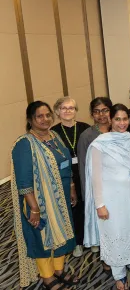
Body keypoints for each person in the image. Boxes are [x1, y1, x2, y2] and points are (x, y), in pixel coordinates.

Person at [11, 101, 78, 289]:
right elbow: (23, 183)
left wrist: (71, 187)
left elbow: (65, 164)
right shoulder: (24, 144)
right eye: (39, 116)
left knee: (62, 231)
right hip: (39, 201)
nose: (45, 119)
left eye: (48, 115)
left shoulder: (54, 136)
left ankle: (58, 270)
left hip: (61, 196)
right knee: (42, 236)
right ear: (30, 120)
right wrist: (34, 208)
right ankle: (47, 276)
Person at [84, 104, 130, 290]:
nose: (122, 123)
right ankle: (118, 274)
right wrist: (100, 204)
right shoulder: (100, 143)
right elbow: (95, 177)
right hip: (110, 199)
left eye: (125, 119)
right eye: (117, 119)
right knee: (115, 233)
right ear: (110, 120)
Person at [51, 97, 91, 258]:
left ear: (76, 111)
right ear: (57, 111)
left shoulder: (85, 128)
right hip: (66, 174)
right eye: (64, 108)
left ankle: (92, 239)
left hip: (85, 171)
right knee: (74, 208)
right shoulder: (53, 132)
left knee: (89, 205)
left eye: (71, 108)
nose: (68, 111)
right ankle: (78, 242)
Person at [77, 97, 113, 256]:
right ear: (92, 114)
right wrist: (87, 192)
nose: (101, 115)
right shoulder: (87, 135)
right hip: (98, 183)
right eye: (97, 111)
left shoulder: (118, 129)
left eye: (105, 110)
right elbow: (83, 166)